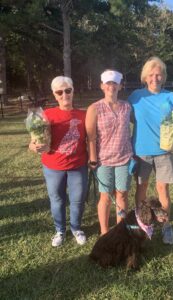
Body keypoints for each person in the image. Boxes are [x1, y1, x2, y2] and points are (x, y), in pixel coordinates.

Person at [29, 76, 88, 247]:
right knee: (57, 200)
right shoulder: (46, 115)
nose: (64, 95)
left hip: (78, 166)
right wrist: (35, 146)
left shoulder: (83, 115)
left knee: (77, 200)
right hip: (53, 167)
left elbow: (92, 138)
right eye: (59, 92)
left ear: (73, 91)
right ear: (54, 95)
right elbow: (34, 141)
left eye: (67, 90)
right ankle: (60, 230)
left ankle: (76, 228)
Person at [128, 56, 173, 245]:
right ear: (145, 76)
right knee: (141, 187)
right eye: (151, 74)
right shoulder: (136, 96)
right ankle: (140, 222)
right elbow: (128, 119)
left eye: (159, 74)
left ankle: (166, 226)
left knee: (162, 189)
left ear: (164, 77)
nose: (155, 78)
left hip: (165, 152)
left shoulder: (171, 97)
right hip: (141, 151)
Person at [85, 70, 133, 235]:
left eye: (114, 83)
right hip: (103, 160)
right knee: (105, 197)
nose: (111, 86)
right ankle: (104, 232)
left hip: (124, 158)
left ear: (120, 86)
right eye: (108, 83)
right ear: (102, 86)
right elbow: (91, 137)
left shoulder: (127, 107)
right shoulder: (94, 108)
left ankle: (121, 230)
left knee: (122, 195)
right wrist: (92, 158)